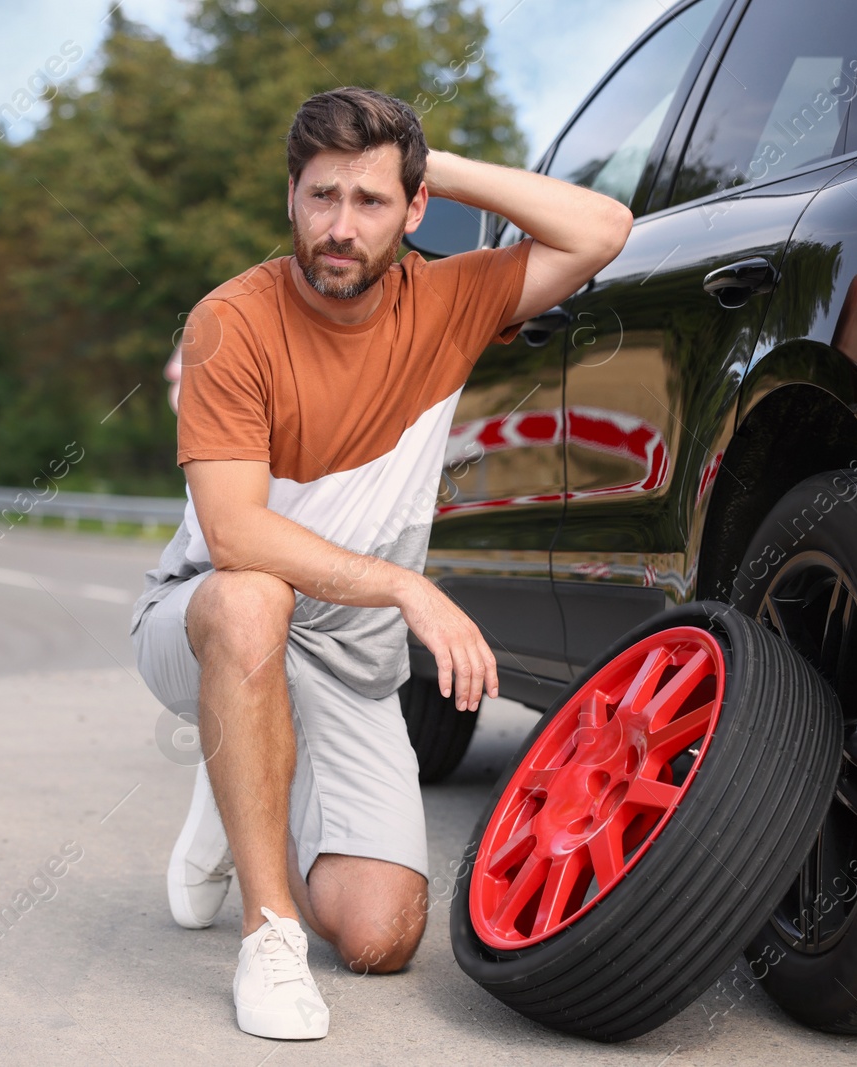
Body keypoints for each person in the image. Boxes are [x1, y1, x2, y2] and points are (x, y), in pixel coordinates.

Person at [128, 86, 632, 1041]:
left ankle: (239, 777)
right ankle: (268, 933)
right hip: (202, 619)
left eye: (370, 201)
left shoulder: (451, 299)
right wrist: (408, 587)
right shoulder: (231, 323)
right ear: (290, 198)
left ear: (415, 208)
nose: (339, 227)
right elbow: (234, 535)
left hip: (349, 661)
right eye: (321, 197)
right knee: (249, 604)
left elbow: (601, 228)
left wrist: (431, 159)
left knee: (379, 935)